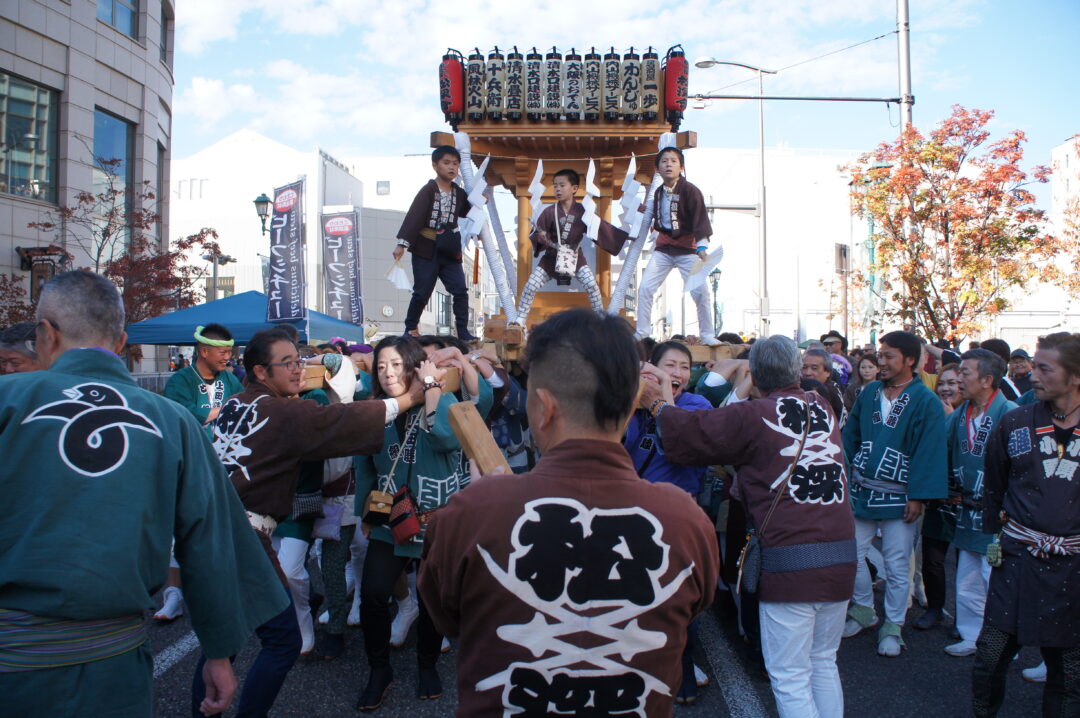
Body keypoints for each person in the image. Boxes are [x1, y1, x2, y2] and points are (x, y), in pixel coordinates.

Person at [0, 270, 287, 717]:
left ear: (45, 334)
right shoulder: (172, 420)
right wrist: (217, 651)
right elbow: (209, 543)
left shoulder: (7, 400)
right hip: (115, 671)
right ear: (121, 341)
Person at [419, 309, 719, 717]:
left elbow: (447, 618)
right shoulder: (686, 520)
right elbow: (691, 608)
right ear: (631, 402)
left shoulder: (469, 514)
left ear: (543, 407)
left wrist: (484, 503)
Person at [195, 328, 420, 716]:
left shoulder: (234, 403)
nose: (298, 370)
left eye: (299, 360)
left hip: (210, 530)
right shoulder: (283, 411)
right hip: (243, 536)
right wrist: (408, 400)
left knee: (222, 637)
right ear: (261, 373)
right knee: (282, 640)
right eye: (288, 364)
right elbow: (341, 420)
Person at [643, 334, 855, 718]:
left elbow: (694, 433)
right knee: (823, 662)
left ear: (754, 375)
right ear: (795, 371)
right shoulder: (821, 404)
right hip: (841, 553)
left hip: (791, 562)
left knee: (789, 675)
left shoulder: (754, 416)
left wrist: (657, 403)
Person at [972, 332, 1080, 717]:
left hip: (1073, 568)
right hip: (1018, 560)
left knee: (1069, 672)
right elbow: (995, 483)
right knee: (989, 657)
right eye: (1033, 366)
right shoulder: (1015, 421)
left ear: (1075, 376)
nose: (1032, 375)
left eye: (1044, 368)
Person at [353, 336, 464, 711]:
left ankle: (427, 663)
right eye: (381, 366)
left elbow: (449, 440)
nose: (387, 374)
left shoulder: (440, 397)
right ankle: (378, 668)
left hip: (435, 521)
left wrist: (432, 391)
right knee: (372, 592)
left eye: (397, 365)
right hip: (389, 520)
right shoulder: (374, 410)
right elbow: (364, 465)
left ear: (415, 365)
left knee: (431, 596)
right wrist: (365, 515)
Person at [842, 330, 947, 657]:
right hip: (862, 491)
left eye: (888, 356)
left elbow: (930, 450)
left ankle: (893, 624)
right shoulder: (870, 392)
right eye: (880, 355)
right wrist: (845, 476)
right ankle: (863, 609)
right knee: (850, 554)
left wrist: (917, 495)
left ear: (910, 360)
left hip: (901, 496)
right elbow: (851, 436)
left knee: (898, 563)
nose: (880, 361)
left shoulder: (926, 400)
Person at [623, 340, 713, 703]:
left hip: (679, 516)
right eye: (669, 366)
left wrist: (662, 399)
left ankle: (685, 670)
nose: (677, 374)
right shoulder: (628, 403)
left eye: (684, 368)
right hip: (631, 516)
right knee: (634, 596)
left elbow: (683, 444)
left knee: (678, 596)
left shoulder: (697, 405)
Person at [159, 322, 246, 622]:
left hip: (228, 465)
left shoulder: (232, 381)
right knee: (179, 530)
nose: (227, 357)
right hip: (189, 463)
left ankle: (219, 590)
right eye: (222, 352)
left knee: (223, 527)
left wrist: (212, 414)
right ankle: (173, 595)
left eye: (229, 352)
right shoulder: (180, 381)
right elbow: (177, 416)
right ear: (203, 350)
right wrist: (218, 412)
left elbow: (244, 411)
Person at [938, 349, 1017, 658]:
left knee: (996, 580)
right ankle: (973, 635)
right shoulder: (960, 414)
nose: (959, 379)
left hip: (998, 513)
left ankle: (1005, 643)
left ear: (987, 380)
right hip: (966, 508)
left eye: (966, 373)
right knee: (968, 578)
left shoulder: (1009, 412)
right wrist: (945, 487)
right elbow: (942, 449)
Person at [515, 168, 627, 323]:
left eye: (562, 185)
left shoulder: (583, 212)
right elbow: (536, 234)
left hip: (575, 258)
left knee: (592, 286)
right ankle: (520, 319)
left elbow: (600, 228)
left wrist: (623, 238)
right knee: (530, 286)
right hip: (551, 259)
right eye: (555, 186)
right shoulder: (549, 212)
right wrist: (540, 237)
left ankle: (601, 319)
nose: (557, 189)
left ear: (574, 188)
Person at [635, 147, 720, 346]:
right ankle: (642, 331)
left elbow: (699, 219)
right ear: (658, 169)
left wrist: (701, 246)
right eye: (664, 161)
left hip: (688, 249)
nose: (668, 165)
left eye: (673, 161)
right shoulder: (657, 193)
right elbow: (657, 217)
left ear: (681, 167)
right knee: (645, 288)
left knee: (700, 291)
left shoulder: (691, 191)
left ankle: (707, 334)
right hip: (664, 248)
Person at [395, 146, 477, 341]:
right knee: (422, 292)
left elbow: (468, 211)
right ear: (435, 165)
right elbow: (414, 217)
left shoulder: (459, 192)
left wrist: (480, 202)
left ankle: (463, 331)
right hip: (426, 249)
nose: (451, 168)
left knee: (460, 290)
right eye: (446, 163)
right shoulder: (428, 190)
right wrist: (402, 245)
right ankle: (410, 327)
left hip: (449, 250)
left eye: (455, 164)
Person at [915, 363, 963, 632]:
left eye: (953, 382)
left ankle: (969, 618)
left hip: (968, 501)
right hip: (938, 498)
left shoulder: (975, 415)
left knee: (969, 565)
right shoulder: (932, 411)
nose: (946, 388)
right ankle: (935, 608)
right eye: (942, 383)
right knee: (932, 560)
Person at [802, 348, 846, 424]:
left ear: (828, 372)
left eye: (814, 368)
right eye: (804, 367)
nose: (807, 373)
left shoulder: (829, 392)